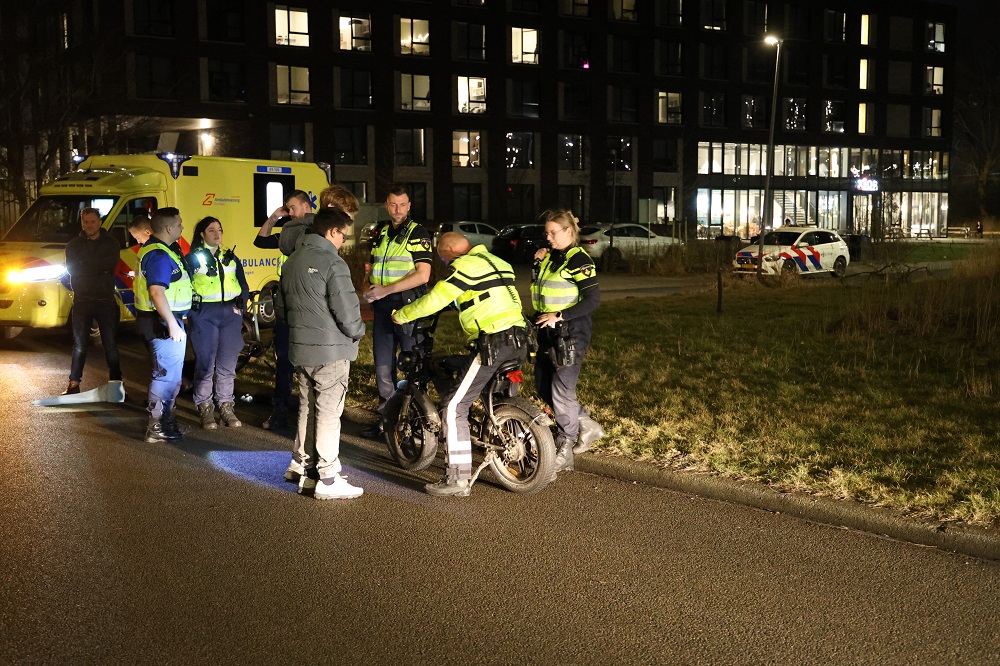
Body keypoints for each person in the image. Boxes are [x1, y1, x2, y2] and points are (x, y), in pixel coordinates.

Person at [393, 232, 528, 497]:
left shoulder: (465, 266)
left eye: (443, 256)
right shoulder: (497, 262)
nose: (444, 262)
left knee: (454, 406)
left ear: (452, 249)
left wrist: (402, 315)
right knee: (456, 369)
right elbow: (483, 295)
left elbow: (436, 299)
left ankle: (457, 480)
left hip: (493, 342)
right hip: (520, 338)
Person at [277, 207, 366, 500]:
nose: (343, 241)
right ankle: (328, 478)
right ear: (332, 232)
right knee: (329, 412)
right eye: (343, 235)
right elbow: (347, 312)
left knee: (307, 407)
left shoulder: (291, 262)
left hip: (300, 347)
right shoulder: (332, 263)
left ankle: (305, 467)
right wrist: (358, 331)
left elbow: (281, 309)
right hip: (330, 349)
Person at [530, 210, 605, 472]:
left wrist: (560, 315)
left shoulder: (578, 259)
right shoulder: (552, 257)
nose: (548, 237)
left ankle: (565, 446)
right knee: (543, 385)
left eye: (553, 232)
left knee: (562, 390)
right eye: (546, 232)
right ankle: (585, 423)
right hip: (548, 331)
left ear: (569, 232)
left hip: (571, 330)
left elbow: (593, 300)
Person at [363, 184, 432, 438]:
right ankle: (387, 419)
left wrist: (386, 290)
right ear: (386, 205)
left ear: (409, 206)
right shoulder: (381, 232)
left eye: (403, 204)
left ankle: (416, 421)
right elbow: (371, 267)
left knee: (412, 364)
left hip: (408, 305)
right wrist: (366, 287)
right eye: (393, 204)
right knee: (383, 365)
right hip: (382, 305)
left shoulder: (418, 232)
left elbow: (423, 275)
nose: (398, 209)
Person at [253, 190, 316, 430]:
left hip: (308, 310)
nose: (289, 212)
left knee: (308, 364)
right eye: (287, 208)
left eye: (292, 207)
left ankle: (308, 414)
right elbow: (260, 241)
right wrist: (273, 217)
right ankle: (280, 411)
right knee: (284, 364)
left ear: (306, 205)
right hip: (286, 309)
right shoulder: (288, 231)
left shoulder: (317, 228)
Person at [184, 216, 250, 430]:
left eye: (219, 229)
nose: (217, 233)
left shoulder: (229, 257)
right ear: (201, 234)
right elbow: (184, 286)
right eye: (211, 230)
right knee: (205, 362)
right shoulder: (192, 258)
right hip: (204, 313)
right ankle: (204, 406)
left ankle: (226, 405)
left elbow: (243, 284)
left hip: (230, 313)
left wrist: (241, 308)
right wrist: (191, 312)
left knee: (228, 363)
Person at [134, 207, 192, 443]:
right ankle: (157, 426)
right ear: (168, 228)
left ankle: (165, 421)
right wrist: (172, 324)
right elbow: (157, 292)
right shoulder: (159, 255)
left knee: (170, 376)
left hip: (161, 320)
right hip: (163, 321)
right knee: (166, 376)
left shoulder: (158, 250)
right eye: (179, 224)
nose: (182, 227)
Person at [62, 207, 123, 395]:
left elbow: (109, 264)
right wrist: (96, 266)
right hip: (82, 300)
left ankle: (116, 385)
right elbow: (73, 269)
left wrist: (86, 264)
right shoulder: (73, 245)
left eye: (92, 221)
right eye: (85, 222)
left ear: (100, 222)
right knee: (79, 345)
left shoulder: (112, 243)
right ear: (82, 223)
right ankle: (73, 384)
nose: (89, 225)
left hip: (105, 299)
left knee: (110, 344)